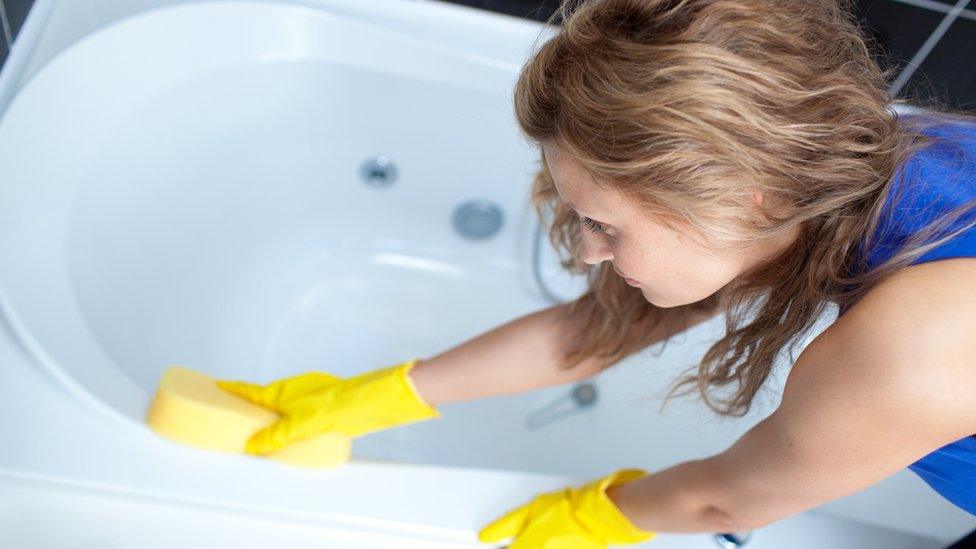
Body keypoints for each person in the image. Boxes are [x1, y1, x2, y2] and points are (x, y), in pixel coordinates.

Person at [215, 0, 976, 546]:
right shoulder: (837, 164)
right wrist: (376, 396)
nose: (584, 251)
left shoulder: (917, 345)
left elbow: (726, 498)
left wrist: (595, 512)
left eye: (606, 225)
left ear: (746, 197)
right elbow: (601, 325)